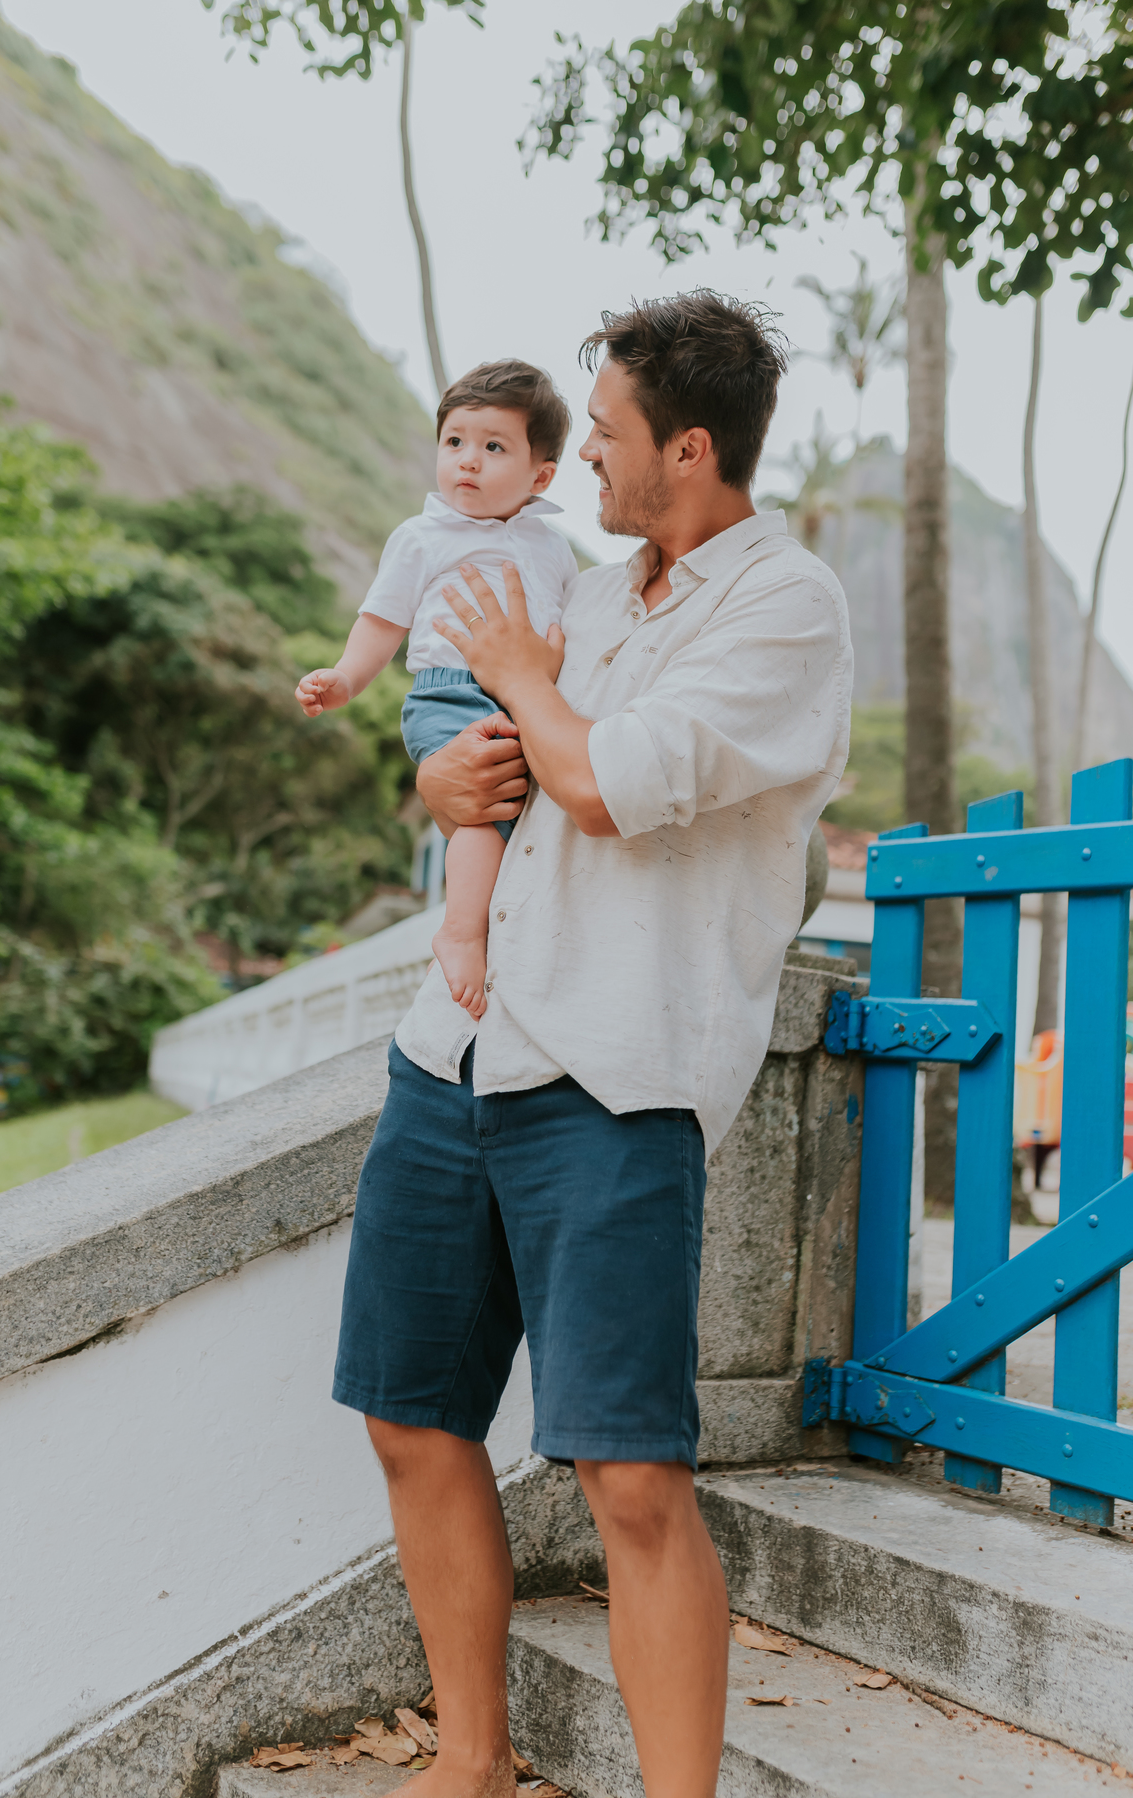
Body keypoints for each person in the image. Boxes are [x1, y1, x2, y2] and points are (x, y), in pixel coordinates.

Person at [333, 291, 853, 1798]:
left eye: (611, 435)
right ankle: (475, 1761)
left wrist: (518, 682)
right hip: (457, 1055)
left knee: (631, 1476)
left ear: (689, 448)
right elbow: (505, 766)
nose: (591, 462)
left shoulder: (785, 604)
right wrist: (447, 780)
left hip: (616, 1077)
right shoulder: (595, 589)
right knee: (410, 1417)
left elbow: (611, 782)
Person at [295, 360, 575, 1021]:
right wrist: (344, 678)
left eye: (493, 446)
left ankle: (500, 929)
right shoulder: (423, 537)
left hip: (528, 696)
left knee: (529, 816)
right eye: (455, 442)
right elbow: (381, 622)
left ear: (541, 475)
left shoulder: (553, 548)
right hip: (451, 694)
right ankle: (460, 929)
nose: (467, 462)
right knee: (482, 807)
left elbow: (566, 630)